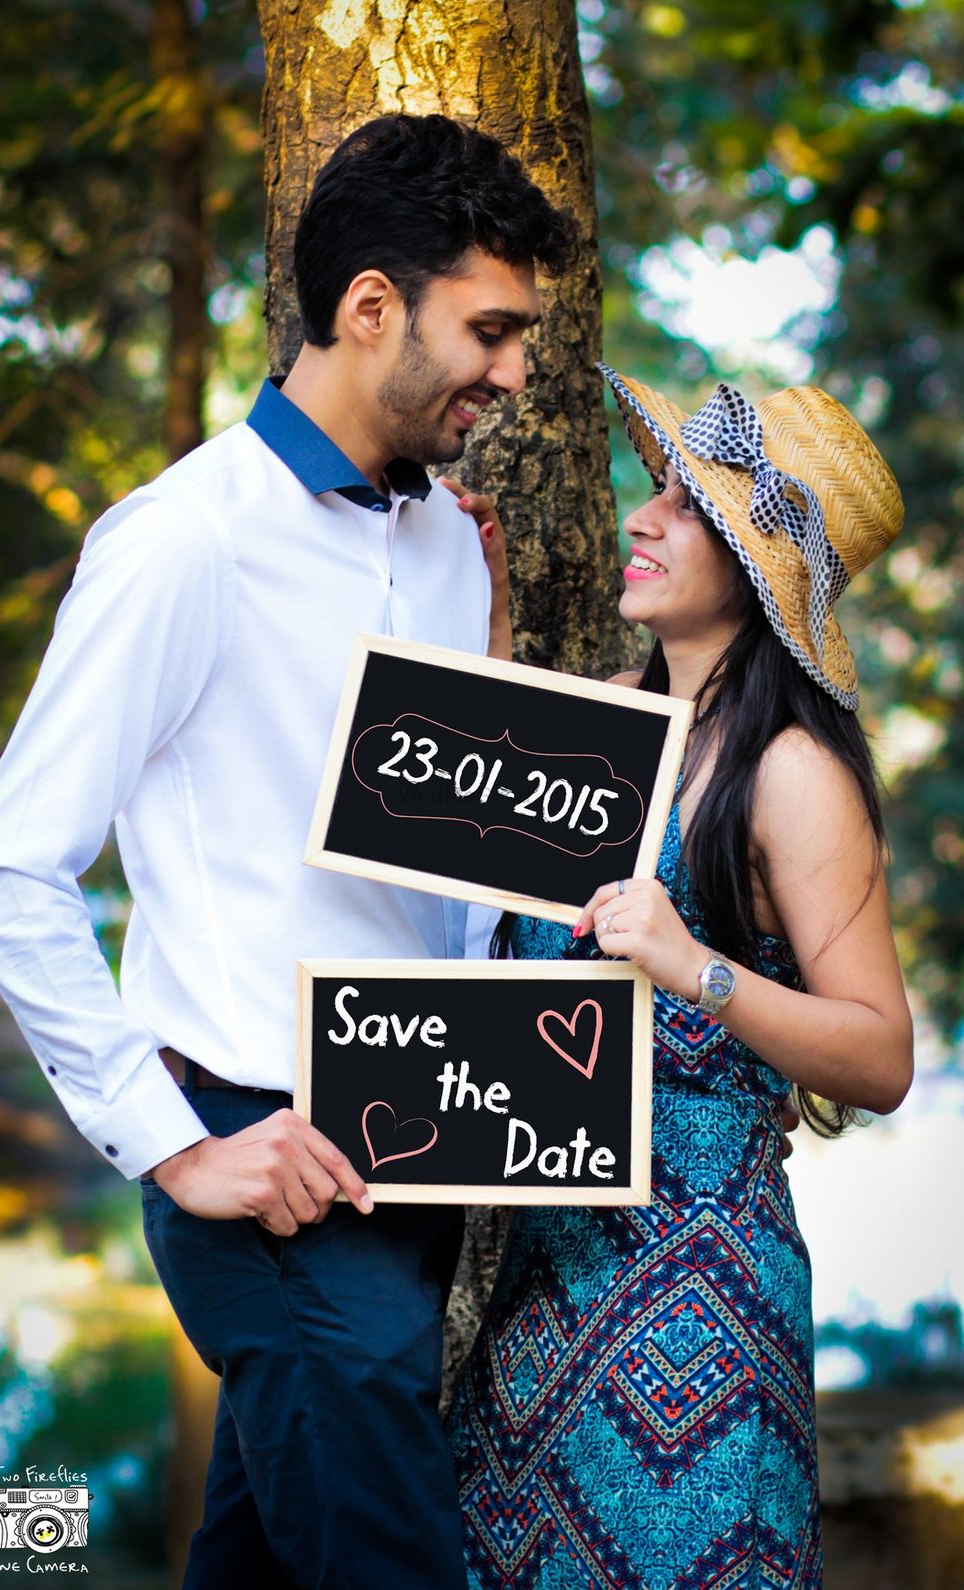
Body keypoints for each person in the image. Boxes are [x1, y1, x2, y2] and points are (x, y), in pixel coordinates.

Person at [0, 114, 577, 1589]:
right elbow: (7, 866)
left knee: (253, 1558)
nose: (512, 373)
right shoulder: (182, 542)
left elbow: (431, 877)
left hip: (422, 1132)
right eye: (490, 331)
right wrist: (174, 1142)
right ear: (373, 307)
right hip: (271, 1157)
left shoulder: (444, 541)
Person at [447, 367, 914, 1588]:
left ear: (761, 573)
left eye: (687, 506)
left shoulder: (793, 772)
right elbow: (472, 897)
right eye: (652, 490)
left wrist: (692, 965)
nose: (641, 519)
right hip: (541, 1307)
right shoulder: (605, 719)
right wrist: (479, 615)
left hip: (698, 1304)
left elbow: (880, 1057)